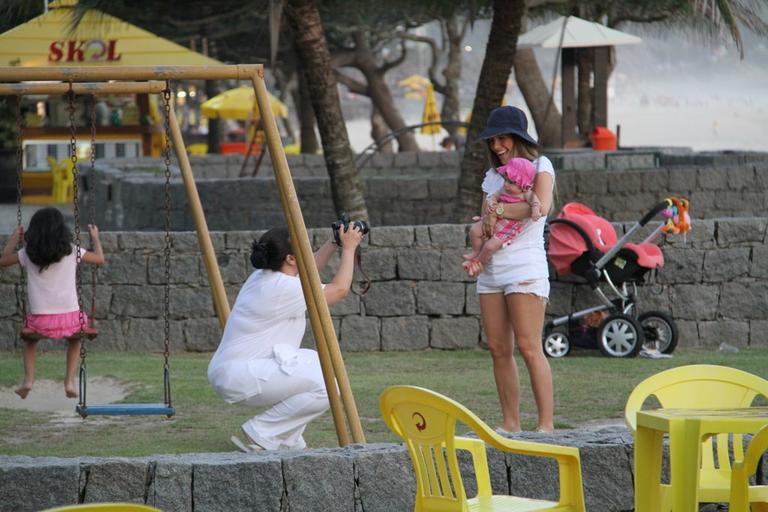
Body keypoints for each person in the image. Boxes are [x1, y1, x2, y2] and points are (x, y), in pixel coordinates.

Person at [208, 224, 364, 451]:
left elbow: (307, 270)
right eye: (304, 249)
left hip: (236, 370)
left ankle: (285, 439)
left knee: (316, 363)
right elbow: (339, 290)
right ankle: (262, 432)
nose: (308, 254)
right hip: (241, 375)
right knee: (329, 382)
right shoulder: (282, 288)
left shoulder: (263, 276)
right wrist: (349, 249)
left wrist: (334, 242)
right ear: (291, 258)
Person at [463, 106, 556, 433]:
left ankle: (546, 425)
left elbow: (537, 210)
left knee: (531, 347)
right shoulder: (492, 177)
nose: (496, 146)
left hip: (524, 267)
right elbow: (488, 219)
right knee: (499, 348)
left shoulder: (540, 166)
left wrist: (498, 209)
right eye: (492, 140)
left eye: (502, 138)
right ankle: (510, 424)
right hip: (491, 270)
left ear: (517, 138)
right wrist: (484, 224)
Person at [0, 207, 105, 399]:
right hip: (70, 320)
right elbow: (99, 259)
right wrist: (95, 237)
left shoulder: (28, 253)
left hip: (40, 321)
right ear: (61, 229)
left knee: (30, 340)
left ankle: (29, 380)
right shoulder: (72, 251)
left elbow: (3, 260)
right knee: (75, 338)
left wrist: (15, 237)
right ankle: (69, 382)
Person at [463, 157, 542, 267]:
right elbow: (493, 197)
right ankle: (475, 252)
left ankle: (479, 262)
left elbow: (535, 203)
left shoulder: (526, 194)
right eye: (505, 180)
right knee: (474, 231)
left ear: (523, 184)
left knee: (490, 247)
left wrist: (535, 211)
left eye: (511, 182)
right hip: (494, 219)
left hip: (509, 226)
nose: (506, 184)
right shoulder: (503, 189)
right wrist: (491, 202)